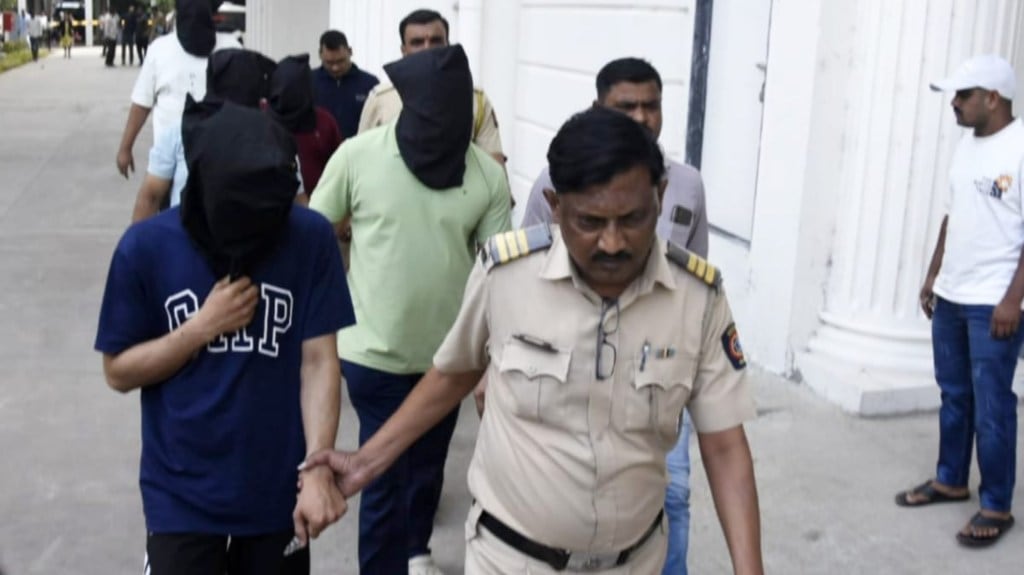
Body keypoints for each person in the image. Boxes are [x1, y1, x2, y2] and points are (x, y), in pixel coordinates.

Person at [303, 106, 763, 574]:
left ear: (660, 198)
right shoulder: (507, 274)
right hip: (510, 560)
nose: (612, 243)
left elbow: (725, 445)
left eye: (632, 219)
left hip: (635, 563)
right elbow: (453, 374)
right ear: (555, 206)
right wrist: (367, 462)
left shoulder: (697, 299)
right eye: (590, 222)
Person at [95, 101, 354, 574]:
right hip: (181, 498)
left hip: (277, 493)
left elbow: (319, 361)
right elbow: (118, 372)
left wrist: (318, 465)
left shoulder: (308, 237)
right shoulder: (146, 248)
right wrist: (200, 328)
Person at [309, 45, 512, 575]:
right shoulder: (357, 157)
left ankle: (415, 552)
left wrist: (488, 361)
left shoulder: (487, 178)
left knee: (426, 468)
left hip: (448, 363)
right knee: (380, 476)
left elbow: (498, 274)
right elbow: (313, 234)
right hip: (371, 353)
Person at [517, 57, 707, 575]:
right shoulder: (559, 181)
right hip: (573, 366)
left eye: (652, 105)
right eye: (627, 107)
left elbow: (695, 283)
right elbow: (527, 275)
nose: (642, 117)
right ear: (597, 108)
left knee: (674, 493)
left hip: (660, 370)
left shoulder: (687, 185)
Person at [896, 54, 1024, 548]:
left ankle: (996, 504)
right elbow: (953, 216)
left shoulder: (1019, 147)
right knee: (954, 394)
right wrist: (934, 274)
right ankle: (950, 479)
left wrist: (1013, 300)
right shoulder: (967, 146)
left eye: (963, 95)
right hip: (952, 293)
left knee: (992, 404)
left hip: (994, 301)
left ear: (992, 98)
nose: (954, 103)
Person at [131, 48, 278, 222]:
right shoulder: (273, 135)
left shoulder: (180, 130)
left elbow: (151, 196)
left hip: (188, 232)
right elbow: (297, 202)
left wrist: (137, 238)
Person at [358, 9, 504, 163]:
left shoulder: (475, 100)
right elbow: (361, 159)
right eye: (417, 42)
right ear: (404, 51)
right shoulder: (381, 100)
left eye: (436, 41)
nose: (427, 49)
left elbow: (494, 165)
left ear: (447, 45)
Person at [115, 0, 241, 179]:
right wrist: (125, 148)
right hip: (169, 167)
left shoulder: (232, 48)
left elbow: (246, 103)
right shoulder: (159, 50)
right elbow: (142, 103)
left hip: (218, 164)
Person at [269, 54, 344, 196]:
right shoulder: (263, 119)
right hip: (273, 201)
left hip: (320, 201)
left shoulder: (324, 121)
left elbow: (339, 168)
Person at [311, 30, 379, 139]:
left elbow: (377, 122)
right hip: (320, 148)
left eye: (341, 61)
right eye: (329, 62)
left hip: (359, 146)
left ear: (350, 52)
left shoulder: (369, 83)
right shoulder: (308, 82)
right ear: (320, 55)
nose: (335, 67)